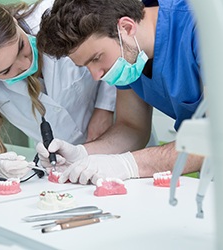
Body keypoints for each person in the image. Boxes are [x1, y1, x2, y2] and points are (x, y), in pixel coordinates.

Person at [0, 0, 117, 179]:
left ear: (13, 21)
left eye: (21, 46)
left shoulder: (54, 14)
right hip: (65, 170)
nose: (25, 63)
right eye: (6, 71)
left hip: (121, 140)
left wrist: (105, 107)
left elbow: (115, 35)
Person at [35, 0, 204, 184]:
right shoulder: (132, 55)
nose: (96, 75)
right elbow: (132, 127)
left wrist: (127, 164)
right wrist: (81, 154)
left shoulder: (203, 26)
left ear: (126, 27)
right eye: (86, 67)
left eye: (97, 58)